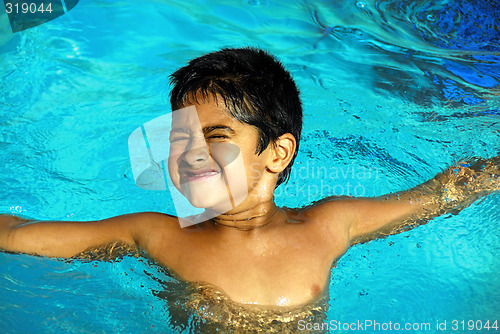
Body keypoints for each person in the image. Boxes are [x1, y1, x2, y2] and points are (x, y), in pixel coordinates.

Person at [0, 47, 498, 309]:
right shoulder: (155, 234)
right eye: (179, 139)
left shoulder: (328, 225)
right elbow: (20, 236)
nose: (191, 155)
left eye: (215, 136)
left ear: (277, 153)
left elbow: (439, 194)